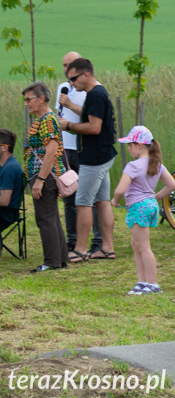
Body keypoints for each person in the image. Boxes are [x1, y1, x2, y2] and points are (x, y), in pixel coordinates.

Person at [58, 58, 117, 263]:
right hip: (103, 154)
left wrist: (67, 126)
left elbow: (94, 128)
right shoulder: (97, 94)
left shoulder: (95, 95)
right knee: (102, 202)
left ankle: (80, 250)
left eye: (73, 78)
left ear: (85, 75)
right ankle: (107, 248)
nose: (71, 83)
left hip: (94, 158)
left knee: (82, 203)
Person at [111, 126, 175, 295]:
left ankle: (153, 284)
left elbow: (120, 190)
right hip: (149, 206)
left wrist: (115, 201)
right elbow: (172, 185)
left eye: (130, 145)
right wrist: (156, 197)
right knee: (136, 244)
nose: (129, 148)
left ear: (140, 145)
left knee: (143, 246)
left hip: (138, 208)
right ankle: (142, 281)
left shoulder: (133, 166)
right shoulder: (157, 165)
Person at [57, 51, 102, 254]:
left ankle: (97, 240)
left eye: (70, 65)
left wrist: (70, 105)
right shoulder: (63, 87)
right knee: (68, 196)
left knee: (89, 197)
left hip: (82, 147)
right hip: (65, 148)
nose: (66, 70)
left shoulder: (90, 88)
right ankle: (72, 239)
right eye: (64, 66)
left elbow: (90, 117)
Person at [22, 81, 69, 273]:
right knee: (52, 217)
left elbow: (51, 152)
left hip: (45, 175)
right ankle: (61, 258)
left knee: (45, 219)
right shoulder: (44, 119)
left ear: (41, 99)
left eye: (28, 99)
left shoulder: (48, 120)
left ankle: (51, 262)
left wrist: (40, 180)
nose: (26, 103)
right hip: (45, 174)